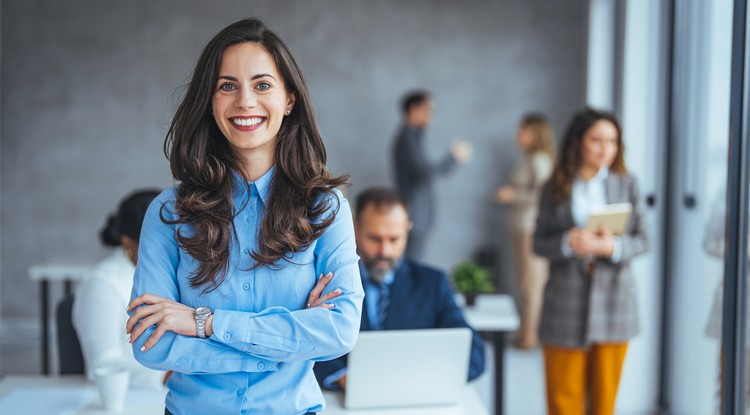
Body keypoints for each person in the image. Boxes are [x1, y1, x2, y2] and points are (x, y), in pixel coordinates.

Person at [125, 18, 364, 415]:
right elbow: (151, 343)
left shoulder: (326, 209)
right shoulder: (169, 213)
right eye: (227, 86)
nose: (245, 101)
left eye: (262, 84)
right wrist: (285, 342)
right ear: (210, 100)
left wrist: (204, 322)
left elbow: (339, 331)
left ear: (289, 99)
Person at [533, 108, 648, 415]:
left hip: (614, 302)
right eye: (596, 140)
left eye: (612, 141)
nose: (605, 149)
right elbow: (538, 243)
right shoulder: (554, 186)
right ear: (577, 142)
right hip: (564, 301)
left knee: (604, 401)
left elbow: (643, 240)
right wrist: (566, 243)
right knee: (562, 399)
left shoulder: (627, 184)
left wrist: (611, 246)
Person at [313, 188, 485, 390]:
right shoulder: (329, 282)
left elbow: (474, 357)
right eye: (375, 239)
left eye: (394, 239)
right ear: (355, 229)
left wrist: (419, 381)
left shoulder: (432, 283)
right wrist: (342, 378)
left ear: (407, 231)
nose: (384, 251)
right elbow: (311, 342)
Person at [73, 189, 164, 390]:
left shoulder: (177, 275)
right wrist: (170, 373)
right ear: (127, 241)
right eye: (158, 242)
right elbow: (104, 364)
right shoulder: (101, 283)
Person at [495, 113, 556, 349]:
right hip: (521, 227)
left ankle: (530, 335)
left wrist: (513, 195)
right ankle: (525, 330)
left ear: (536, 134)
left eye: (523, 130)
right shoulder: (528, 159)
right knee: (524, 281)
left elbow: (544, 196)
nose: (517, 135)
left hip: (531, 228)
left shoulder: (540, 161)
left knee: (532, 283)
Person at [392, 90, 472, 259]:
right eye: (428, 110)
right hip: (415, 214)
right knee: (411, 267)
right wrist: (453, 158)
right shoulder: (407, 139)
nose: (431, 116)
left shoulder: (414, 138)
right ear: (414, 109)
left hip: (419, 214)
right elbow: (423, 174)